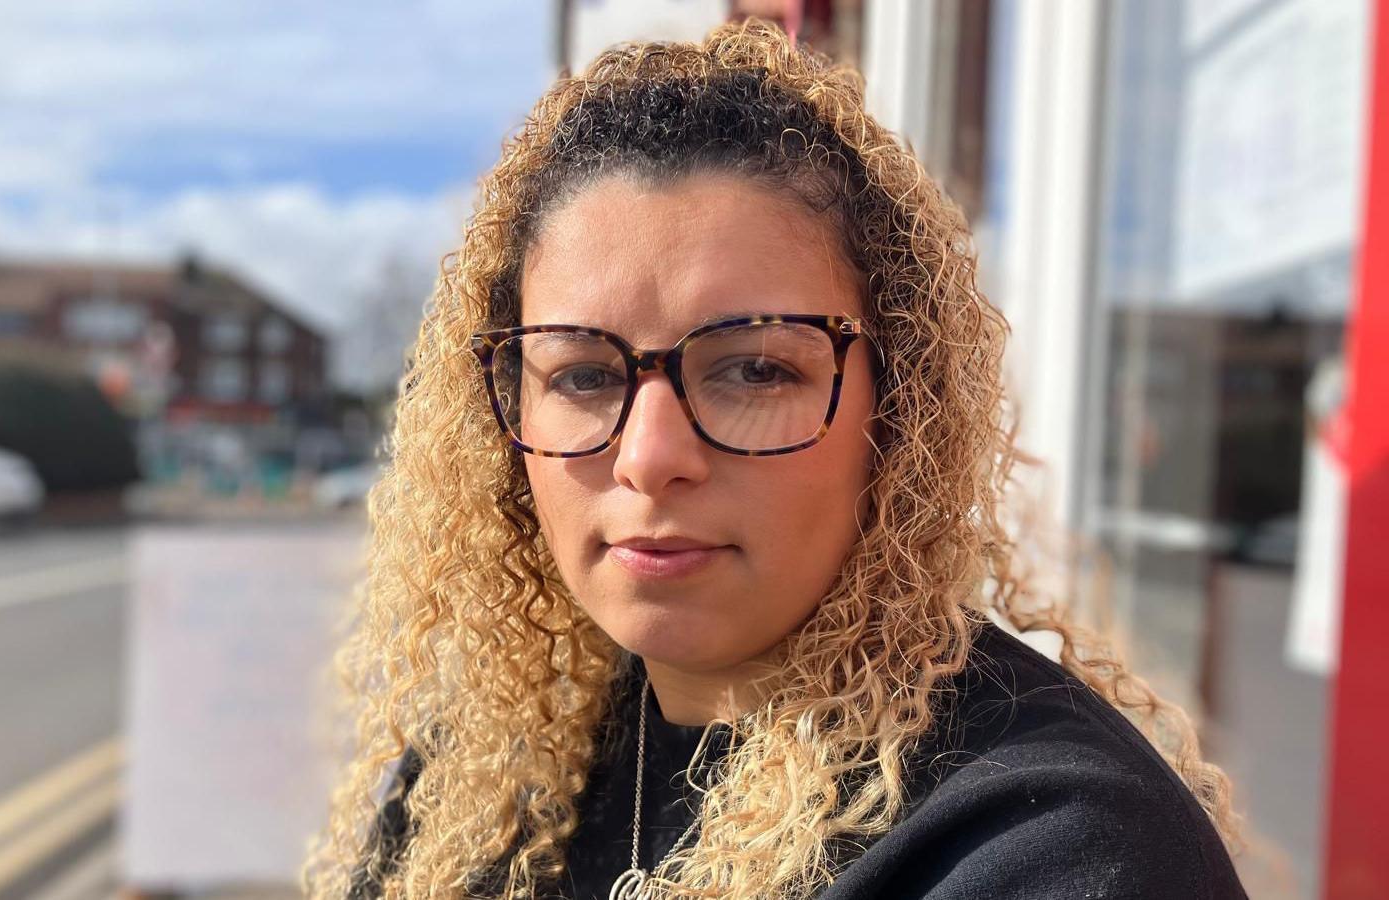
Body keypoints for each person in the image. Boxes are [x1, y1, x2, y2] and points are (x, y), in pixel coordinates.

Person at [303, 20, 1246, 900]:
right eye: (585, 373)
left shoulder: (1052, 846)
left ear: (899, 410)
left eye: (754, 369)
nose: (650, 455)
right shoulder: (485, 784)